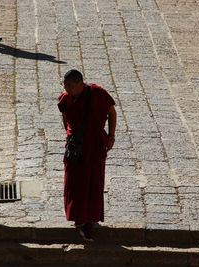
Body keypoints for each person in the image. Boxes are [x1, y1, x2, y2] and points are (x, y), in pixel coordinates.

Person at [57, 69, 117, 241]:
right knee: (74, 181)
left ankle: (89, 218)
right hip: (76, 146)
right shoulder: (66, 98)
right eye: (65, 85)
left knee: (92, 181)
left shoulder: (97, 93)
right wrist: (70, 135)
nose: (67, 89)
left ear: (79, 84)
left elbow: (112, 113)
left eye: (70, 86)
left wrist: (111, 136)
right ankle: (77, 216)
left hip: (94, 145)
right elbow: (65, 116)